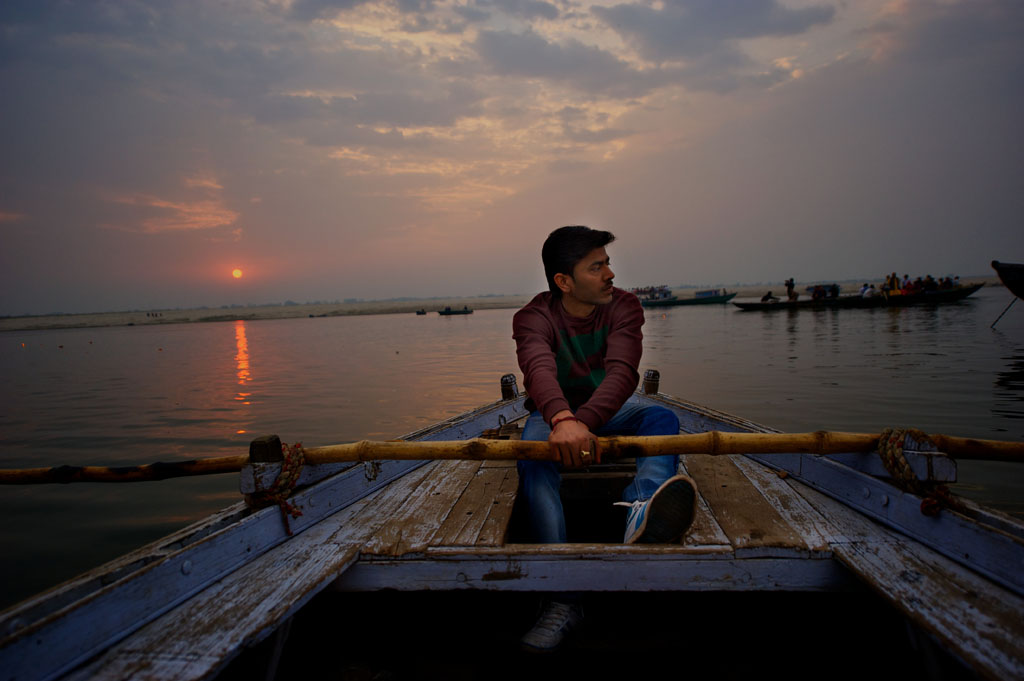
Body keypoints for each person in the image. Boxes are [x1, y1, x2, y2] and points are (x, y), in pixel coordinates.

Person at [513, 225, 697, 652]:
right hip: (553, 414)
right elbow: (538, 369)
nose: (610, 274)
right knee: (535, 462)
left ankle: (642, 508)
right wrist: (562, 418)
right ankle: (563, 596)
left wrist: (584, 422)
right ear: (563, 281)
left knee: (661, 419)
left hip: (608, 411)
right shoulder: (533, 317)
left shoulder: (625, 307)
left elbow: (622, 374)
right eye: (597, 266)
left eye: (608, 263)